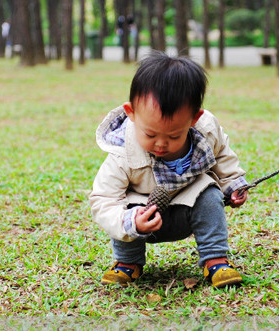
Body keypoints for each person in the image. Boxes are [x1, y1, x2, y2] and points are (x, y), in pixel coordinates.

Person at [89, 51, 249, 288]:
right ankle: (127, 262)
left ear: (194, 119)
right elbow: (103, 199)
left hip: (188, 211)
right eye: (150, 134)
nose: (161, 143)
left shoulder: (206, 132)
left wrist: (233, 185)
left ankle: (215, 259)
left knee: (210, 194)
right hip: (143, 217)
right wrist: (129, 221)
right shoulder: (122, 152)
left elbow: (223, 155)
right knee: (127, 208)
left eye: (174, 135)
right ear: (131, 113)